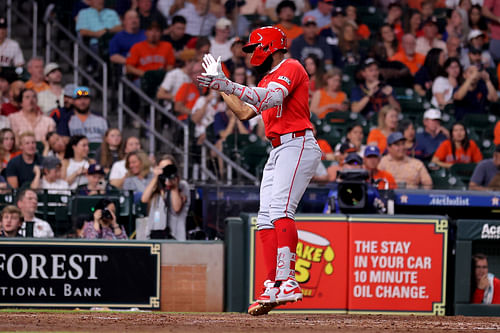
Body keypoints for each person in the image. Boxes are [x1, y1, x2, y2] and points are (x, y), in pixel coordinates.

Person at [197, 26, 322, 315]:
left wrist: (227, 83)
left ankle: (288, 280)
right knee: (265, 217)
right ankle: (273, 283)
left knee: (280, 209)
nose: (253, 53)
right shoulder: (266, 78)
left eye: (255, 48)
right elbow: (243, 112)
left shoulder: (291, 66)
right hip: (279, 147)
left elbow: (271, 99)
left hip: (298, 142)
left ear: (269, 45)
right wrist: (219, 84)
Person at [141, 155, 190, 240]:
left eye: (168, 167)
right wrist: (156, 177)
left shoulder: (182, 185)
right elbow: (144, 199)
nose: (165, 171)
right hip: (155, 234)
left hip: (175, 235)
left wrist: (174, 187)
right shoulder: (156, 185)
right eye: (162, 168)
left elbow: (177, 209)